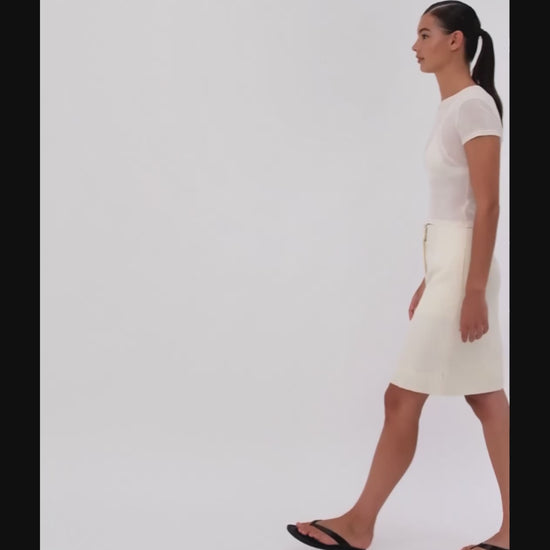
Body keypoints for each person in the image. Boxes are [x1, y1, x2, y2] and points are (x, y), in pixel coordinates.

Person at [285, 2, 509, 550]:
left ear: (456, 41)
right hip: (449, 267)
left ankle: (359, 524)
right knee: (486, 399)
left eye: (425, 34)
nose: (415, 46)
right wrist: (432, 276)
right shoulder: (454, 106)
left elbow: (488, 205)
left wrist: (472, 288)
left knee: (403, 397)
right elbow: (456, 207)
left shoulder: (473, 106)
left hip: (465, 272)